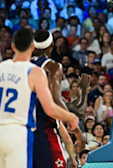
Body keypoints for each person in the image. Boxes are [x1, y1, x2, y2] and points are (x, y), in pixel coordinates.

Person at [0, 28, 78, 168]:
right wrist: (70, 117)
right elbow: (50, 108)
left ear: (12, 46)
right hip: (19, 131)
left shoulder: (0, 67)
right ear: (32, 47)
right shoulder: (35, 72)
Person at [32, 30, 89, 168]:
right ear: (52, 44)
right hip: (43, 128)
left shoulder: (23, 65)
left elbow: (74, 109)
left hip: (22, 128)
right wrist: (77, 131)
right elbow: (57, 100)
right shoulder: (53, 67)